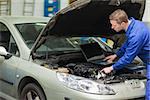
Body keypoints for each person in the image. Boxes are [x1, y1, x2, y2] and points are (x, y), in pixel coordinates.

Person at [101, 9, 150, 99]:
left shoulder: (136, 35)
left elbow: (128, 58)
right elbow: (127, 43)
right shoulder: (134, 25)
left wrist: (111, 68)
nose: (112, 27)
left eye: (114, 25)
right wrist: (116, 55)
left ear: (122, 23)